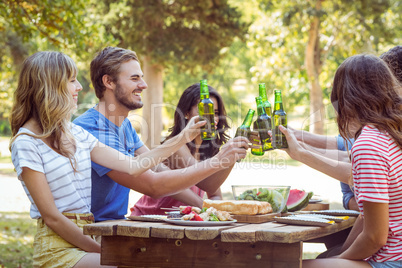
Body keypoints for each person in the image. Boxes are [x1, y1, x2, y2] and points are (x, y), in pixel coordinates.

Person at [9, 51, 247, 267]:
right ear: (50, 85)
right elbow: (52, 217)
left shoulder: (74, 133)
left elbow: (136, 167)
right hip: (62, 245)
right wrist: (104, 250)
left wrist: (183, 137)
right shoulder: (28, 142)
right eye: (71, 80)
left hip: (94, 231)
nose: (79, 87)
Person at [74, 46, 249, 222]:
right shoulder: (92, 128)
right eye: (135, 78)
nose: (143, 85)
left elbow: (157, 169)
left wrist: (211, 209)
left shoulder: (124, 125)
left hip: (113, 224)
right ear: (109, 82)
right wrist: (219, 160)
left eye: (141, 78)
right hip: (90, 229)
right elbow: (153, 185)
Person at [282, 54, 402, 267]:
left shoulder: (368, 145)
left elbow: (375, 237)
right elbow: (367, 215)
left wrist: (340, 259)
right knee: (322, 259)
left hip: (392, 260)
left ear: (344, 96)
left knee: (282, 264)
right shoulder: (392, 132)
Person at [131, 83, 231, 215]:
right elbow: (205, 183)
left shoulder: (209, 150)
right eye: (204, 111)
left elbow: (214, 195)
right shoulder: (177, 146)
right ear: (186, 113)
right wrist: (231, 156)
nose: (211, 117)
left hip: (180, 222)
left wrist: (219, 210)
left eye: (216, 113)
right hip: (150, 219)